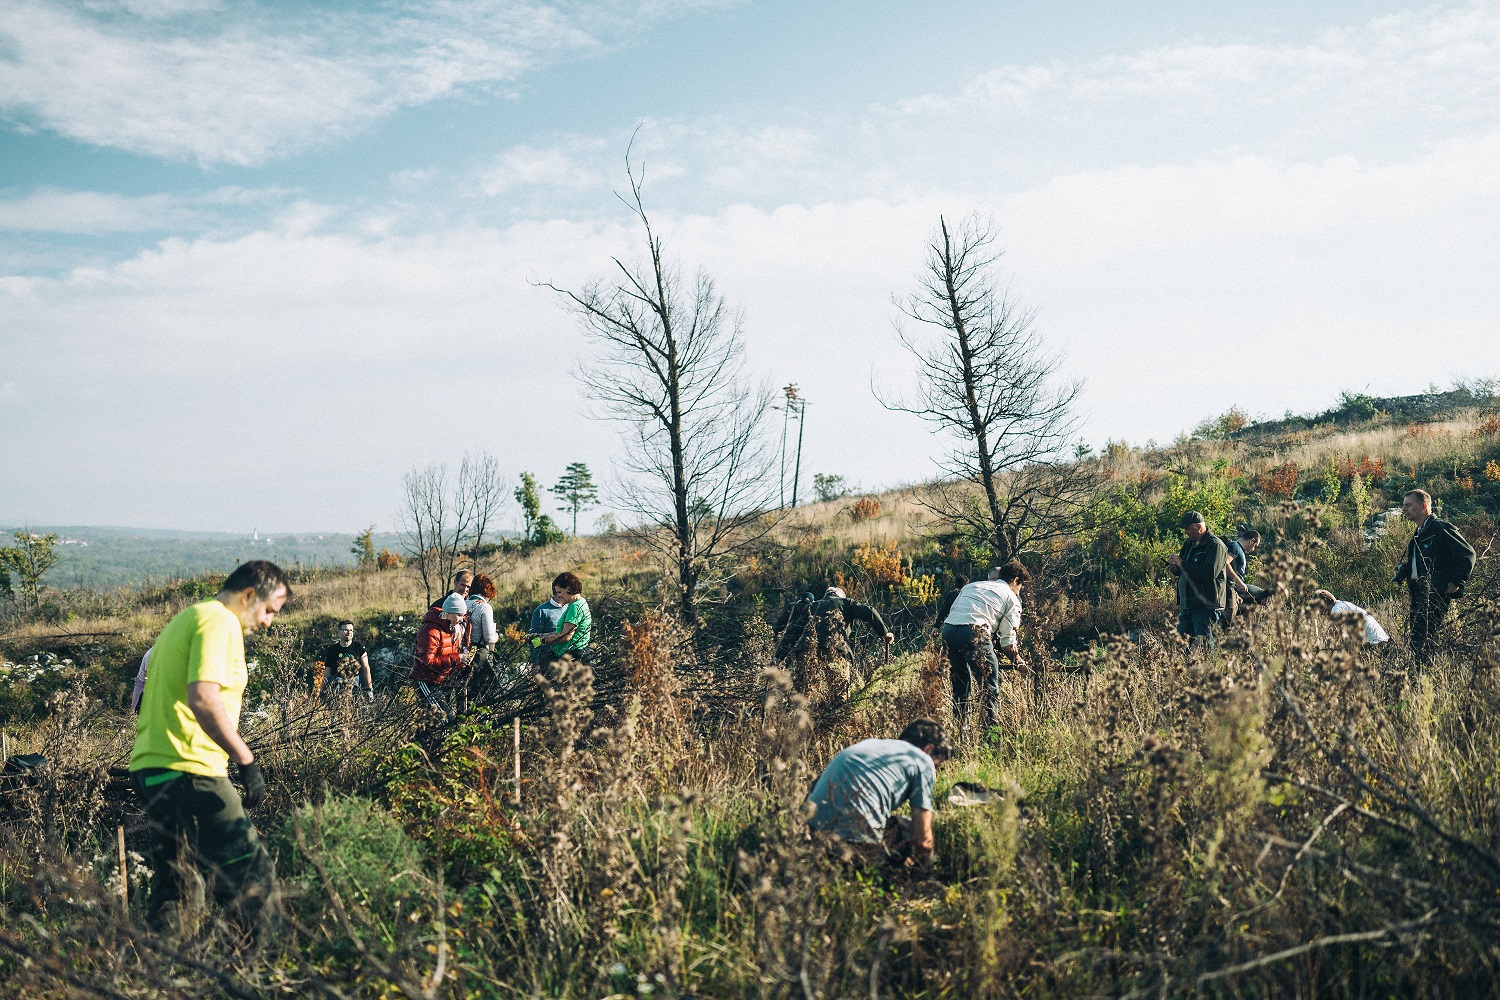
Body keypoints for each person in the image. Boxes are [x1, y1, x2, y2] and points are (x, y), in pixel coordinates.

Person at [127, 560, 287, 936]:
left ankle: (158, 978)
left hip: (152, 769)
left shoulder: (187, 618)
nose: (267, 622)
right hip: (192, 770)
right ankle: (257, 978)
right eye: (268, 611)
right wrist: (246, 759)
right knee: (255, 877)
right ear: (249, 595)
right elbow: (203, 698)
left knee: (178, 889)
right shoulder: (220, 621)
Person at [805, 718, 953, 868]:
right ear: (928, 749)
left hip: (811, 838)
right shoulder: (922, 759)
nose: (935, 771)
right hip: (857, 846)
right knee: (906, 828)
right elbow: (923, 842)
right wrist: (928, 867)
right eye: (938, 766)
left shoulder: (867, 745)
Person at [941, 561, 1027, 727]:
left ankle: (961, 730)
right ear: (1016, 580)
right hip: (974, 633)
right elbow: (1008, 643)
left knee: (960, 687)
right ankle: (989, 735)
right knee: (989, 688)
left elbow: (955, 611)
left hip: (949, 632)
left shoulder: (971, 586)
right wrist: (1019, 662)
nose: (1019, 591)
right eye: (1021, 586)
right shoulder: (1011, 598)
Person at [1393, 489, 1476, 662]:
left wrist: (1456, 582)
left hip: (1436, 593)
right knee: (1420, 638)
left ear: (1423, 506)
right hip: (1419, 594)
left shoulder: (1439, 527)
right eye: (1403, 506)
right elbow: (1427, 561)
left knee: (1419, 639)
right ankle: (1425, 672)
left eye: (1408, 505)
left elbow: (1468, 554)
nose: (1404, 509)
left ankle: (1422, 675)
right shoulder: (1418, 533)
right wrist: (1406, 569)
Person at [1168, 511, 1227, 642]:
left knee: (1204, 643)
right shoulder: (1189, 543)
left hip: (1206, 605)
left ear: (1199, 527)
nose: (1185, 531)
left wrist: (1182, 563)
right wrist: (1176, 569)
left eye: (1188, 528)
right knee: (1180, 643)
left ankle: (1208, 663)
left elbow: (1210, 573)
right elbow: (1185, 569)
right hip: (1188, 604)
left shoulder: (1215, 545)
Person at [410, 593, 468, 721]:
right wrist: (458, 658)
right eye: (459, 615)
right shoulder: (430, 631)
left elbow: (450, 657)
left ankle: (428, 740)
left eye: (463, 615)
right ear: (449, 613)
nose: (461, 619)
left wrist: (463, 661)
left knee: (432, 723)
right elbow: (426, 661)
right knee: (446, 719)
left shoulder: (452, 629)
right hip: (426, 681)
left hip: (440, 680)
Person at [537, 572, 592, 665]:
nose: (558, 595)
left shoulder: (575, 607)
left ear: (568, 588)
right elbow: (562, 633)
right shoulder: (581, 602)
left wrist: (540, 641)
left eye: (559, 592)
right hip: (576, 654)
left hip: (573, 657)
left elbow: (565, 636)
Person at [318, 620, 373, 703]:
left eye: (351, 630)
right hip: (336, 687)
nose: (349, 632)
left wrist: (369, 689)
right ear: (339, 632)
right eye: (346, 630)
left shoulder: (359, 648)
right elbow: (327, 673)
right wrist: (322, 692)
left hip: (354, 685)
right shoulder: (332, 650)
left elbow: (366, 668)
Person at [1313, 590, 1389, 645]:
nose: (1319, 613)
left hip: (1374, 641)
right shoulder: (1342, 605)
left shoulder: (1336, 609)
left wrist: (1321, 646)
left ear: (1324, 603)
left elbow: (1333, 631)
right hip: (1381, 639)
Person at [466, 574, 499, 689]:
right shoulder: (485, 607)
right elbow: (489, 637)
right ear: (488, 592)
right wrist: (497, 635)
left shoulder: (462, 603)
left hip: (461, 653)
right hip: (478, 654)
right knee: (482, 690)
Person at [527, 589, 568, 667]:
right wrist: (535, 663)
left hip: (567, 660)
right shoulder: (541, 611)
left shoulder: (569, 608)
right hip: (547, 661)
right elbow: (534, 639)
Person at [129, 646, 153, 712]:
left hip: (153, 683)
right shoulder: (150, 655)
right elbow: (147, 676)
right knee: (135, 710)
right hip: (142, 685)